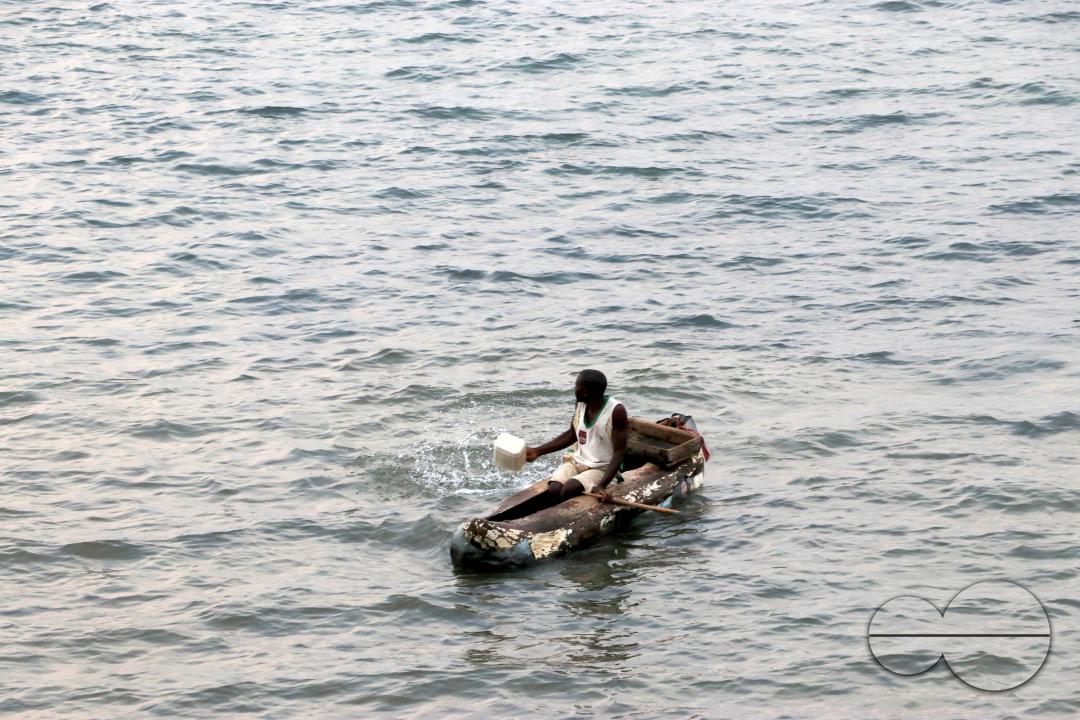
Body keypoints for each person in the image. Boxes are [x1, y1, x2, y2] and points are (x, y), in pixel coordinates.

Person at [525, 369, 627, 505]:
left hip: (602, 468)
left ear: (586, 392)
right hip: (578, 461)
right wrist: (538, 451)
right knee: (554, 489)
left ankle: (563, 514)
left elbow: (619, 452)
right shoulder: (581, 404)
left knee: (569, 489)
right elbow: (572, 435)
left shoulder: (616, 411)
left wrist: (601, 485)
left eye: (577, 386)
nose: (574, 389)